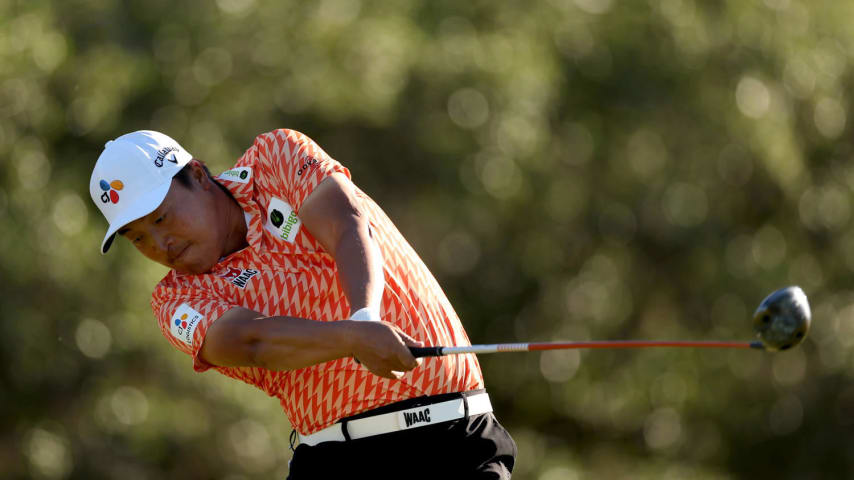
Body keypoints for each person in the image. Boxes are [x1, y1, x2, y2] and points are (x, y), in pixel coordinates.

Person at [89, 129, 516, 478]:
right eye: (138, 238)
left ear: (198, 175)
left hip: (459, 440)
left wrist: (364, 315)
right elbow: (251, 342)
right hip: (340, 461)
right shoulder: (176, 299)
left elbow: (346, 223)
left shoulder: (274, 158)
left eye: (161, 218)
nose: (160, 244)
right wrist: (353, 337)